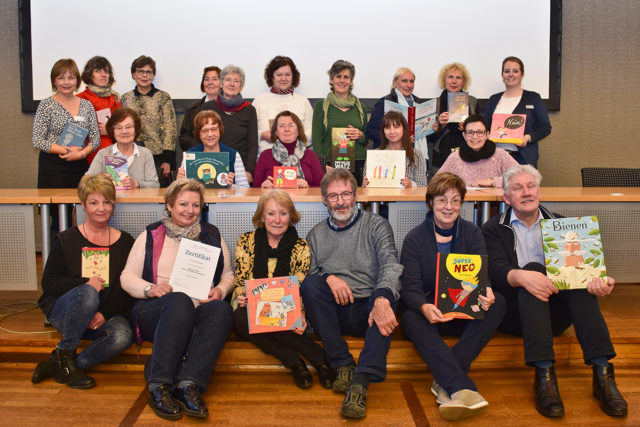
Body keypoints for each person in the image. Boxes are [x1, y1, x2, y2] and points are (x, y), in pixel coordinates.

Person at [481, 165, 627, 418]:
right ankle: (544, 376)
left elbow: (584, 269)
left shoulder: (565, 226)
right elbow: (492, 271)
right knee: (534, 269)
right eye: (517, 188)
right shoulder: (492, 228)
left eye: (531, 186)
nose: (526, 193)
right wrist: (521, 276)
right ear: (506, 198)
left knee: (580, 283)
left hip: (556, 312)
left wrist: (598, 280)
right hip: (516, 314)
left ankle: (603, 375)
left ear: (539, 191)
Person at [120, 179, 234, 420]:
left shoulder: (211, 234)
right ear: (169, 205)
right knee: (179, 300)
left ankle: (188, 384)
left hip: (198, 308)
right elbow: (127, 277)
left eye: (195, 205)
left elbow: (228, 276)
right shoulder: (151, 234)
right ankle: (158, 384)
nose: (189, 210)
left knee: (221, 310)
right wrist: (150, 288)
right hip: (157, 310)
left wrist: (220, 291)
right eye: (183, 203)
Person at [400, 172, 505, 421]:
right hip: (432, 315)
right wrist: (424, 306)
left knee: (498, 302)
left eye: (455, 200)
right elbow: (410, 287)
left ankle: (445, 380)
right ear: (431, 202)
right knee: (410, 317)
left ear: (462, 203)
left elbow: (482, 276)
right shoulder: (414, 239)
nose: (449, 207)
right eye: (442, 200)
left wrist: (486, 293)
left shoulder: (472, 233)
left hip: (464, 312)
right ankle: (460, 386)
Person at [301, 168, 403, 419]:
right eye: (333, 196)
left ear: (356, 196)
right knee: (311, 284)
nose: (340, 201)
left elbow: (391, 264)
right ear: (324, 200)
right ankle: (342, 363)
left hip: (367, 309)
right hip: (332, 313)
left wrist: (381, 299)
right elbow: (308, 272)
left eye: (346, 194)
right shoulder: (315, 235)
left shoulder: (376, 225)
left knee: (389, 299)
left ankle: (360, 382)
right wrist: (328, 277)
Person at [32, 174, 134, 389]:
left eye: (106, 202)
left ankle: (63, 363)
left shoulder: (125, 242)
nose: (101, 208)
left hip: (103, 315)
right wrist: (85, 282)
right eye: (94, 203)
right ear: (83, 205)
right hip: (67, 312)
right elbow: (49, 284)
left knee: (122, 336)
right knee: (87, 291)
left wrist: (103, 314)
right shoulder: (66, 239)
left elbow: (124, 289)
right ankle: (67, 351)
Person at [232, 190, 335, 389]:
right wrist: (242, 295)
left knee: (282, 319)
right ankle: (306, 359)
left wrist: (300, 313)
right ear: (262, 216)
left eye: (283, 213)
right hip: (251, 304)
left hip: (287, 305)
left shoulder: (300, 246)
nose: (277, 220)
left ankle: (300, 362)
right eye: (271, 213)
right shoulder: (246, 241)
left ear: (291, 216)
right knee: (240, 318)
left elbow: (299, 286)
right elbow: (240, 280)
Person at [32, 58, 100, 189]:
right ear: (54, 81)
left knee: (81, 208)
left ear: (77, 81)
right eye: (61, 78)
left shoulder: (86, 105)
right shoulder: (46, 105)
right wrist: (66, 150)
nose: (67, 82)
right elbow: (38, 140)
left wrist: (81, 154)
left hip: (80, 165)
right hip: (53, 167)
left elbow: (95, 139)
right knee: (54, 208)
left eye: (71, 78)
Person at [484, 56, 551, 168]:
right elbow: (485, 126)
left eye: (515, 71)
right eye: (507, 71)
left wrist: (528, 137)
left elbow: (545, 127)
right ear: (502, 75)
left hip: (523, 159)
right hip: (495, 158)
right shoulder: (493, 99)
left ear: (522, 74)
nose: (511, 74)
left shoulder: (533, 97)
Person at [121, 55, 177, 187]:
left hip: (158, 158)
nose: (144, 75)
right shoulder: (125, 98)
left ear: (153, 75)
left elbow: (170, 128)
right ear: (133, 74)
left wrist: (167, 160)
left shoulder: (163, 97)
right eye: (140, 71)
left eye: (148, 72)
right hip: (131, 157)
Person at [312, 60, 368, 185]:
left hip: (357, 163)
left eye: (346, 77)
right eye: (338, 76)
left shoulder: (360, 108)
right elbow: (316, 140)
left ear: (351, 81)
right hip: (330, 166)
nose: (342, 80)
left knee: (356, 201)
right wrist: (322, 166)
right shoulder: (321, 107)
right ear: (331, 80)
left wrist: (360, 135)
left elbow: (365, 139)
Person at [202, 65, 258, 183]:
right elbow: (200, 138)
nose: (232, 84)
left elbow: (253, 144)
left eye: (236, 81)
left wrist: (248, 171)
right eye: (228, 80)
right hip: (212, 165)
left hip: (240, 170)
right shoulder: (208, 107)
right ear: (221, 84)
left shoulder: (249, 109)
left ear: (241, 86)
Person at [366, 67, 428, 167]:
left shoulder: (419, 104)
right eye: (404, 81)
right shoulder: (385, 102)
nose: (409, 85)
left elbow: (427, 136)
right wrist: (395, 138)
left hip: (414, 157)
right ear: (394, 82)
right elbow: (371, 130)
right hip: (389, 157)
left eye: (411, 81)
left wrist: (435, 128)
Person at [252, 56, 313, 155]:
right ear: (272, 76)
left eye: (287, 74)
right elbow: (249, 133)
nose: (283, 78)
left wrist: (293, 139)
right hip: (266, 160)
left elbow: (311, 133)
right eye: (279, 75)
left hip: (297, 159)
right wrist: (262, 135)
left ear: (293, 76)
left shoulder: (303, 101)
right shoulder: (259, 101)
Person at [436, 114, 518, 187]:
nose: (475, 136)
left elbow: (523, 178)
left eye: (480, 132)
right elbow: (437, 182)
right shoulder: (455, 157)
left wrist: (492, 182)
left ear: (487, 134)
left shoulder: (500, 155)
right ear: (464, 135)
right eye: (470, 132)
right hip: (464, 203)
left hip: (496, 203)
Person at [86, 108, 159, 188]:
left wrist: (137, 184)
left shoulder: (145, 153)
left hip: (139, 200)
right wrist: (102, 180)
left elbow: (155, 185)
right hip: (111, 200)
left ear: (136, 130)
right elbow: (86, 181)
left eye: (128, 127)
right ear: (112, 131)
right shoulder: (103, 153)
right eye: (119, 128)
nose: (124, 132)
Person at [427, 62, 477, 178]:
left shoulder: (473, 102)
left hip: (468, 157)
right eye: (450, 77)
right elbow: (429, 138)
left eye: (458, 78)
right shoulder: (434, 104)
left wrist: (468, 129)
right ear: (444, 80)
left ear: (463, 82)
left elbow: (481, 133)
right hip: (440, 158)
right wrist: (440, 125)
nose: (454, 81)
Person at [176, 110, 250, 188]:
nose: (210, 134)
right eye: (204, 131)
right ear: (198, 133)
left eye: (214, 129)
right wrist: (179, 181)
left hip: (225, 199)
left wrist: (231, 186)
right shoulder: (190, 155)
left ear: (220, 130)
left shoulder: (233, 154)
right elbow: (181, 190)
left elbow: (245, 189)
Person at [253, 111, 324, 188]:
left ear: (298, 131)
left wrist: (307, 186)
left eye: (291, 125)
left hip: (303, 199)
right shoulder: (265, 156)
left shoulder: (310, 155)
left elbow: (321, 188)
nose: (286, 129)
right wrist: (263, 186)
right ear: (276, 132)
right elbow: (255, 189)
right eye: (281, 126)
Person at [362, 111, 427, 188]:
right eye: (387, 127)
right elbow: (365, 186)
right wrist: (365, 184)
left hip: (407, 199)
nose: (392, 131)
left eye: (396, 126)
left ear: (404, 129)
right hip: (381, 198)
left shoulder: (416, 154)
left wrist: (411, 184)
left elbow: (423, 185)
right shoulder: (375, 155)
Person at [77, 56, 122, 165]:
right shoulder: (79, 99)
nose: (103, 74)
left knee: (117, 181)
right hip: (86, 154)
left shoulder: (115, 98)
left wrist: (111, 131)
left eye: (106, 71)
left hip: (114, 151)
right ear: (89, 74)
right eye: (97, 71)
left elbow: (122, 127)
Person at [179, 66, 221, 152]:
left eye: (215, 79)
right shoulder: (193, 109)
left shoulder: (229, 110)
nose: (210, 82)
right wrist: (201, 146)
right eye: (206, 79)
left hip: (223, 156)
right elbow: (184, 138)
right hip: (197, 156)